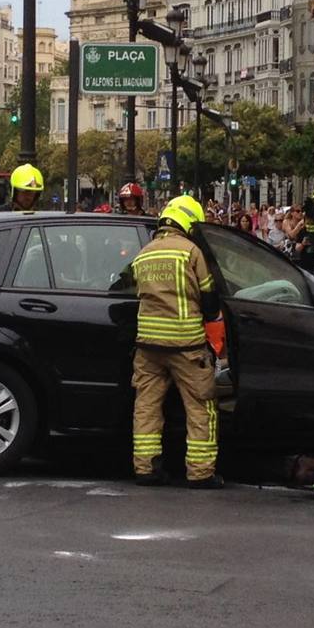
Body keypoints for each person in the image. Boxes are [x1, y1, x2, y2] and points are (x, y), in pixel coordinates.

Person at [129, 195, 226, 490]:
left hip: (148, 345)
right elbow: (209, 298)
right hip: (187, 345)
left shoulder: (144, 254)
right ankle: (200, 473)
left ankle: (145, 469)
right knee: (201, 407)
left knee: (146, 406)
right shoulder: (191, 252)